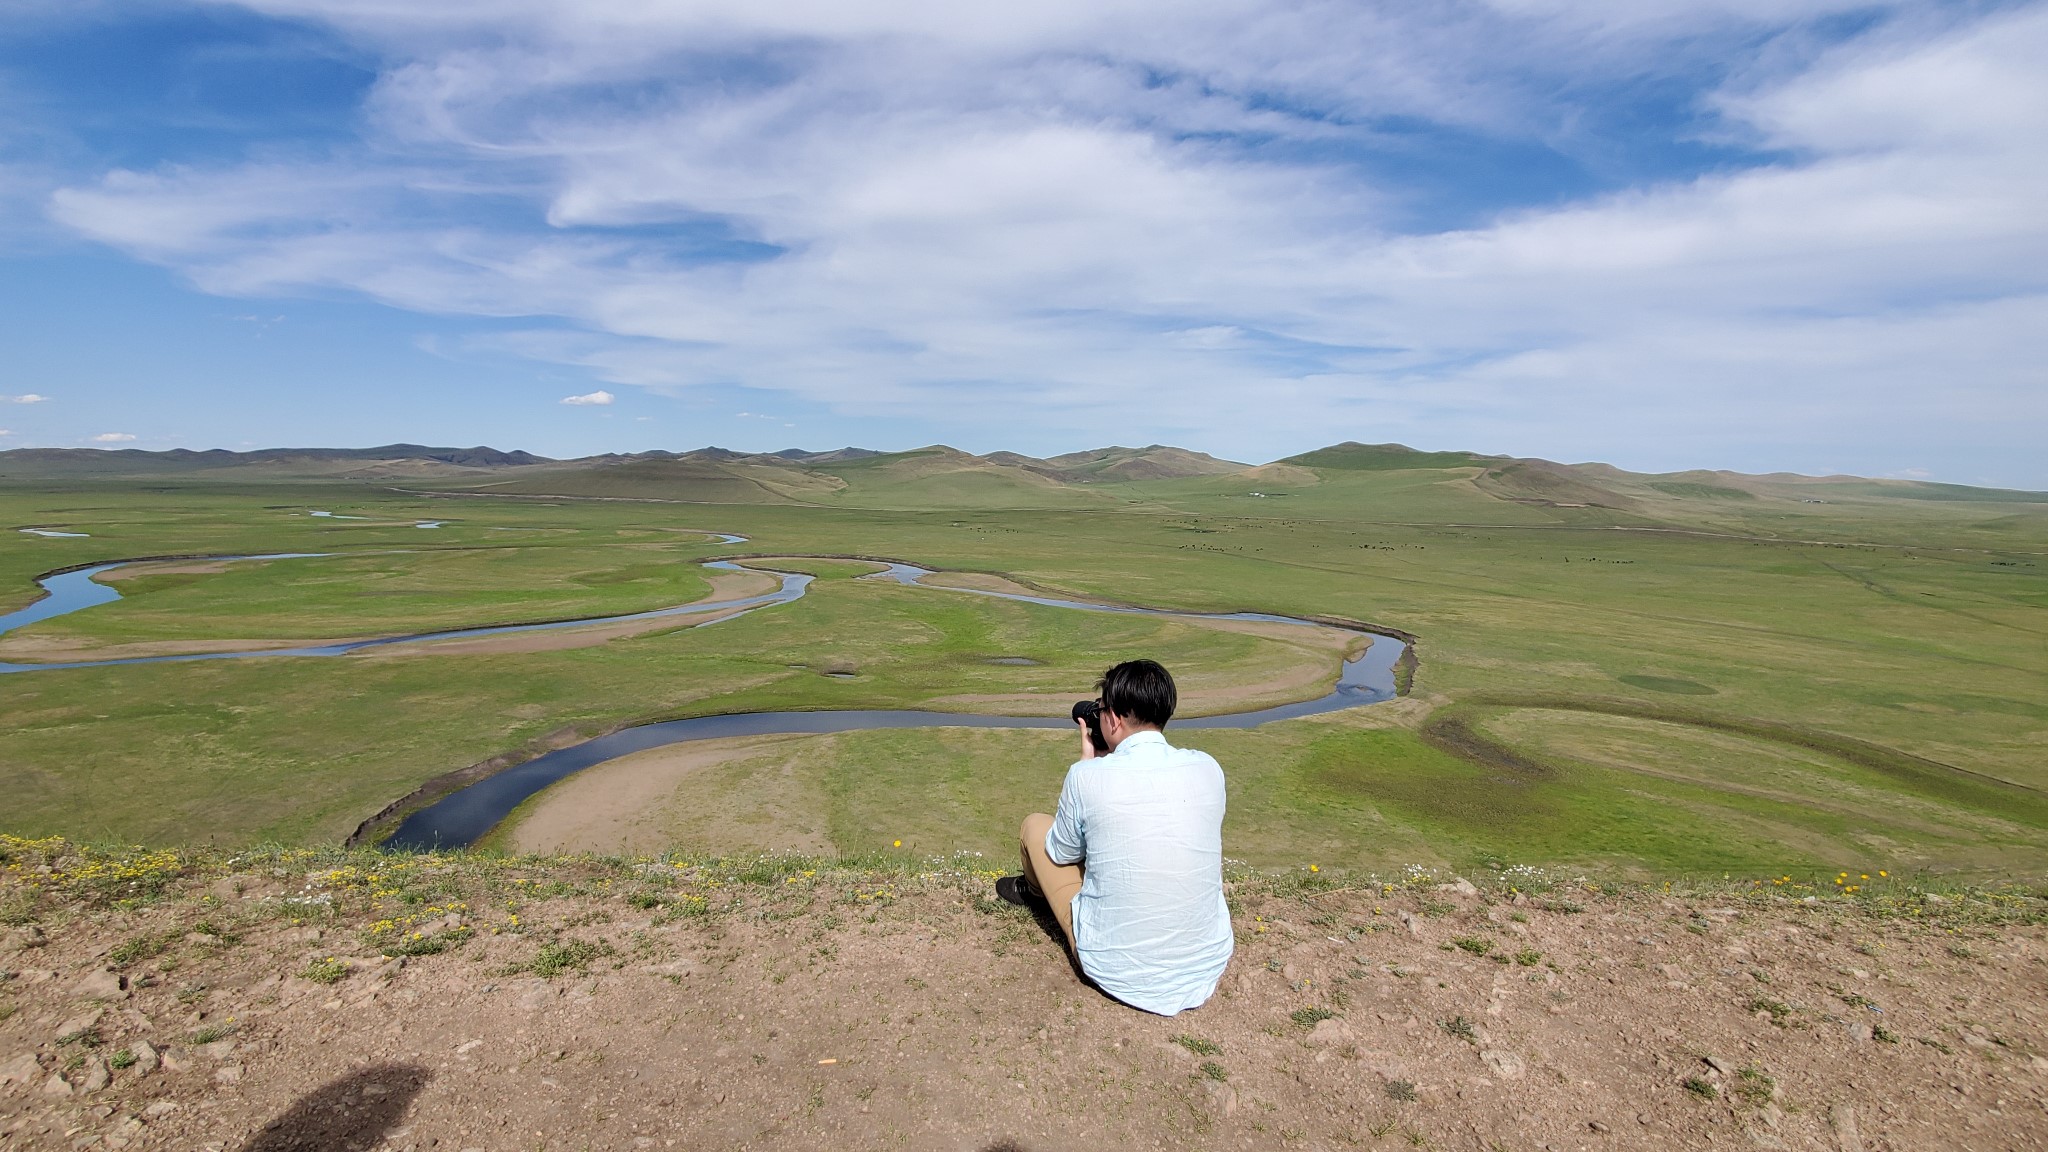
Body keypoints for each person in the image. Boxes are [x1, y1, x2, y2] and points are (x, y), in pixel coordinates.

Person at [996, 659, 1234, 1016]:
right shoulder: (1208, 767)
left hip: (1116, 969)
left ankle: (1034, 893)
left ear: (1114, 719)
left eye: (1103, 709)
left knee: (1035, 826)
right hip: (1206, 961)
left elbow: (1061, 852)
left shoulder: (1087, 776)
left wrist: (1089, 765)